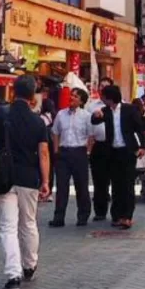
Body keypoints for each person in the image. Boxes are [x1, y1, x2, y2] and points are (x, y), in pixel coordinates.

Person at [0, 75, 49, 289]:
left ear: (12, 92)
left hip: (4, 176)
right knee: (28, 223)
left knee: (7, 226)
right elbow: (44, 153)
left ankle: (13, 275)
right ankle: (30, 265)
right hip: (29, 177)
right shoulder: (38, 121)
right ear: (32, 96)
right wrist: (46, 181)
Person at [90, 84, 145, 229]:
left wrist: (143, 147)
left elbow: (139, 128)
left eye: (103, 97)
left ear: (110, 98)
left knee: (127, 184)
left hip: (128, 151)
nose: (102, 99)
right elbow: (94, 121)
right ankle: (116, 215)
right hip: (112, 151)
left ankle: (127, 216)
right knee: (115, 184)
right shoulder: (105, 111)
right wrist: (96, 115)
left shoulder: (129, 110)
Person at [49, 87, 92, 227]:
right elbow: (55, 132)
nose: (71, 98)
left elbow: (91, 135)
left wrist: (87, 151)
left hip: (80, 152)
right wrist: (56, 151)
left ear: (81, 101)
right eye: (71, 95)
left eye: (75, 96)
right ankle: (59, 217)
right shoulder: (61, 114)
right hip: (64, 152)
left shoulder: (86, 116)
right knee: (61, 186)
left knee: (81, 186)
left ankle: (83, 216)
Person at [88, 77, 113, 222]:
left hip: (114, 146)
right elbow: (89, 128)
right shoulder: (92, 106)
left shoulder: (120, 105)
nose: (103, 88)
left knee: (116, 180)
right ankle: (100, 211)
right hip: (98, 145)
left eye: (106, 86)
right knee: (99, 181)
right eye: (101, 86)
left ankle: (118, 212)